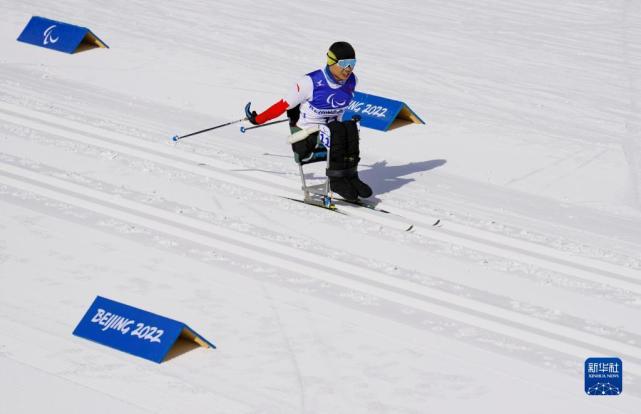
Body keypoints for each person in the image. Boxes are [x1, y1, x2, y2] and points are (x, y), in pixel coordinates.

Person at [244, 41, 372, 201]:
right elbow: (283, 105)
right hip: (307, 136)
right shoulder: (309, 82)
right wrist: (258, 119)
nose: (349, 69)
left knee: (351, 127)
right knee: (338, 130)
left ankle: (351, 176)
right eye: (344, 64)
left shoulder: (352, 81)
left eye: (352, 64)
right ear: (331, 62)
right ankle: (337, 180)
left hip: (332, 130)